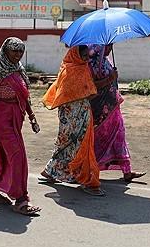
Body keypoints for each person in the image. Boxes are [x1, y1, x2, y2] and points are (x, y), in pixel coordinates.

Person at [0, 37, 41, 216]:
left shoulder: (18, 69)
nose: (17, 55)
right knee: (17, 156)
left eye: (20, 51)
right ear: (5, 51)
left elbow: (24, 96)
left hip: (16, 118)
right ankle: (20, 198)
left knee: (6, 157)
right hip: (0, 119)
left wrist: (32, 118)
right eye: (14, 51)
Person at [40, 45, 104, 196]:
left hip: (80, 113)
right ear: (76, 55)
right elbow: (82, 92)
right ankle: (86, 180)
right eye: (84, 56)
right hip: (72, 115)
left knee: (75, 144)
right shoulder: (71, 70)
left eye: (88, 56)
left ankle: (51, 171)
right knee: (72, 144)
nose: (87, 59)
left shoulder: (80, 68)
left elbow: (87, 91)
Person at [88, 44, 145, 182]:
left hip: (113, 105)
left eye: (111, 46)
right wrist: (110, 78)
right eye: (107, 46)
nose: (110, 49)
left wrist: (113, 77)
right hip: (100, 110)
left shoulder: (107, 61)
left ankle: (127, 171)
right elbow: (92, 86)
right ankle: (89, 170)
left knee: (119, 135)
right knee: (99, 140)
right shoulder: (92, 64)